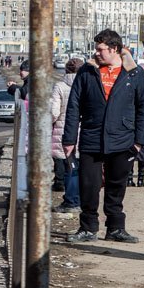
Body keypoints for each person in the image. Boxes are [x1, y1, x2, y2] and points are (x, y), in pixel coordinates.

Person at [62, 28, 144, 244]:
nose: (96, 53)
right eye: (96, 48)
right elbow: (74, 105)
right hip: (92, 137)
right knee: (89, 185)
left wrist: (139, 142)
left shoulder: (134, 73)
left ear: (114, 49)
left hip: (123, 140)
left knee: (116, 185)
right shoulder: (87, 71)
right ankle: (87, 228)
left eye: (101, 49)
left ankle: (115, 228)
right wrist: (69, 139)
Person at [51, 57, 81, 212]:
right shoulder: (86, 84)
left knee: (69, 167)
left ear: (66, 70)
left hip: (63, 132)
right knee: (80, 167)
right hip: (82, 131)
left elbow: (54, 112)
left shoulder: (60, 86)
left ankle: (70, 201)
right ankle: (80, 200)